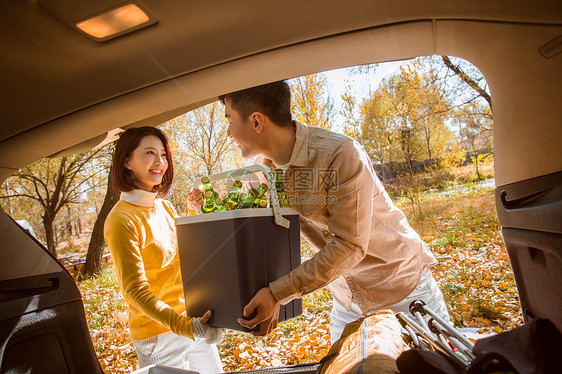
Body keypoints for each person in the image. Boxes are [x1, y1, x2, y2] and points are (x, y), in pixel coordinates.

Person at [195, 81, 450, 344]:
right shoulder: (262, 172)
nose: (228, 133)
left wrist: (277, 294)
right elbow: (258, 233)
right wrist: (204, 208)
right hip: (347, 298)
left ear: (257, 121)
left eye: (230, 120)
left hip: (400, 288)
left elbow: (349, 245)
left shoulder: (340, 155)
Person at [104, 127, 223, 372]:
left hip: (191, 320)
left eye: (163, 155)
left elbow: (184, 256)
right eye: (150, 153)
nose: (160, 162)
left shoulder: (165, 208)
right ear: (127, 161)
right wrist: (185, 327)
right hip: (159, 337)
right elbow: (134, 291)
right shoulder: (121, 220)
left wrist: (192, 211)